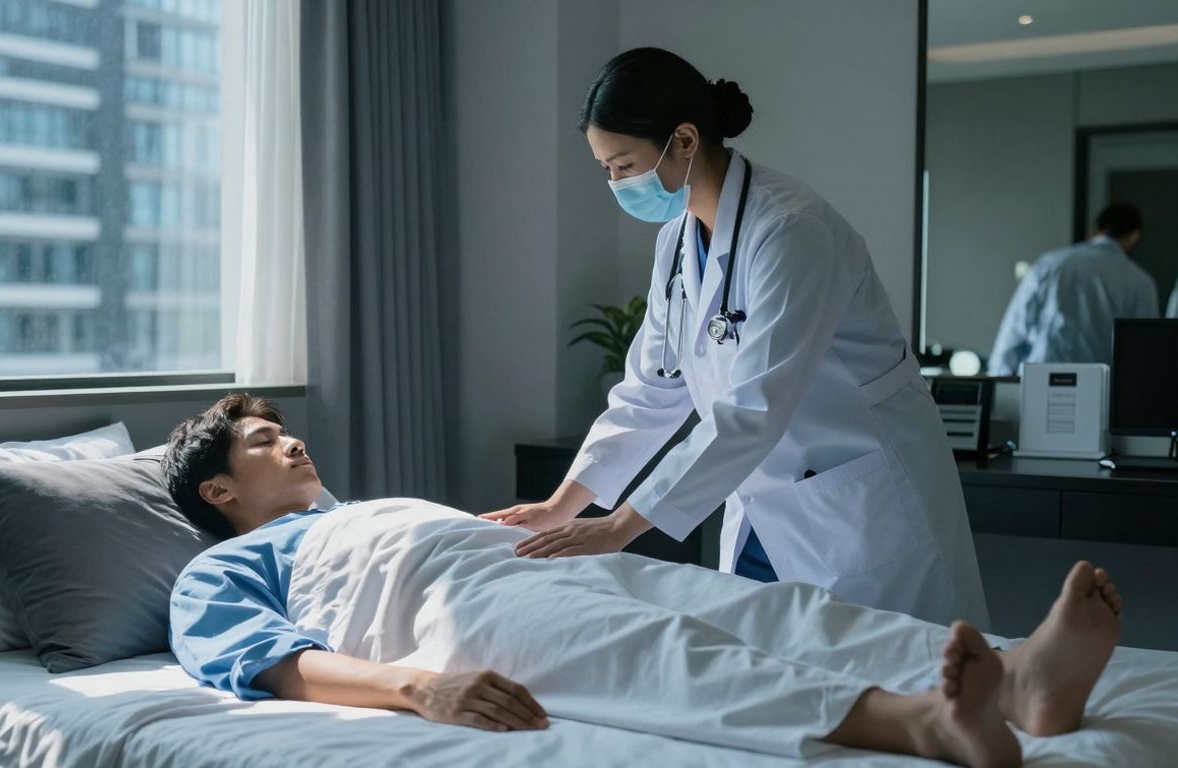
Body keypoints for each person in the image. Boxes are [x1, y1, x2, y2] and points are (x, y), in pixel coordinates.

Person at [161, 393, 1126, 768]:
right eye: (260, 440)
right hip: (448, 611)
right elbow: (278, 666)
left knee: (771, 608)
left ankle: (1021, 679)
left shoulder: (348, 509)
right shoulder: (217, 572)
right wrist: (422, 687)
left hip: (526, 563)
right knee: (667, 655)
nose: (290, 438)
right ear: (218, 488)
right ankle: (918, 722)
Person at [480, 47, 986, 628]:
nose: (616, 184)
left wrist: (620, 526)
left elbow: (753, 407)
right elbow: (651, 391)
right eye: (606, 169)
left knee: (907, 680)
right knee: (777, 678)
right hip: (763, 507)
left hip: (859, 505)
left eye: (624, 165)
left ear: (686, 141)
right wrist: (561, 504)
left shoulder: (793, 231)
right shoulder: (677, 240)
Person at [988, 203, 1158, 376]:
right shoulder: (1140, 282)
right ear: (1134, 236)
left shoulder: (1050, 264)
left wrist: (999, 381)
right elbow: (1144, 346)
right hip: (1102, 386)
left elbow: (1016, 326)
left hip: (1042, 378)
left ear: (1097, 229)